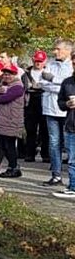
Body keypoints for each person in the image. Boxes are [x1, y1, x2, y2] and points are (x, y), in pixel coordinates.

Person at [39, 39, 74, 187]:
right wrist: (57, 86)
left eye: (58, 49)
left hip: (67, 112)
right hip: (50, 108)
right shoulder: (51, 65)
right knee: (54, 143)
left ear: (67, 50)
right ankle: (56, 175)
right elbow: (42, 83)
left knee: (69, 144)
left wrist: (53, 79)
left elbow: (68, 86)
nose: (55, 52)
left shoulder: (71, 66)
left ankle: (72, 178)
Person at [21, 50, 48, 162]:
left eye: (40, 61)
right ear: (33, 60)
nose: (38, 63)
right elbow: (23, 89)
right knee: (30, 130)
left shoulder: (48, 73)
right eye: (36, 61)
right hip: (30, 103)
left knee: (45, 130)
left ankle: (46, 154)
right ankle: (30, 154)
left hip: (44, 102)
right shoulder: (25, 74)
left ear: (45, 61)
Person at [55, 70, 75, 198]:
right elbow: (60, 102)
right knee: (72, 160)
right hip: (71, 126)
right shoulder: (67, 82)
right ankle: (73, 186)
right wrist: (66, 104)